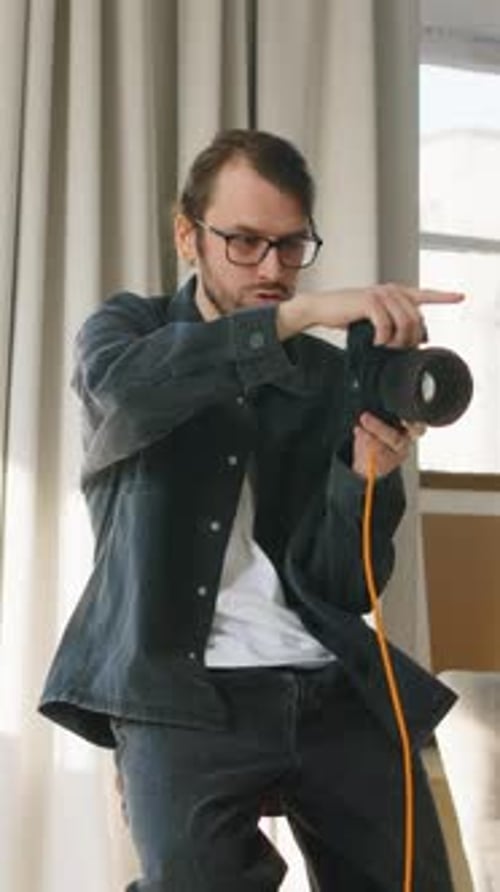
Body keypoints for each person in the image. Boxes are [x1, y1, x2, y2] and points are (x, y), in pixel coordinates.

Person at [40, 129, 461, 891]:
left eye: (292, 245)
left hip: (328, 683)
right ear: (187, 235)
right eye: (244, 242)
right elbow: (129, 396)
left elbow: (344, 588)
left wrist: (364, 481)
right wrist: (295, 319)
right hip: (179, 692)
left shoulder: (332, 379)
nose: (273, 269)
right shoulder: (125, 335)